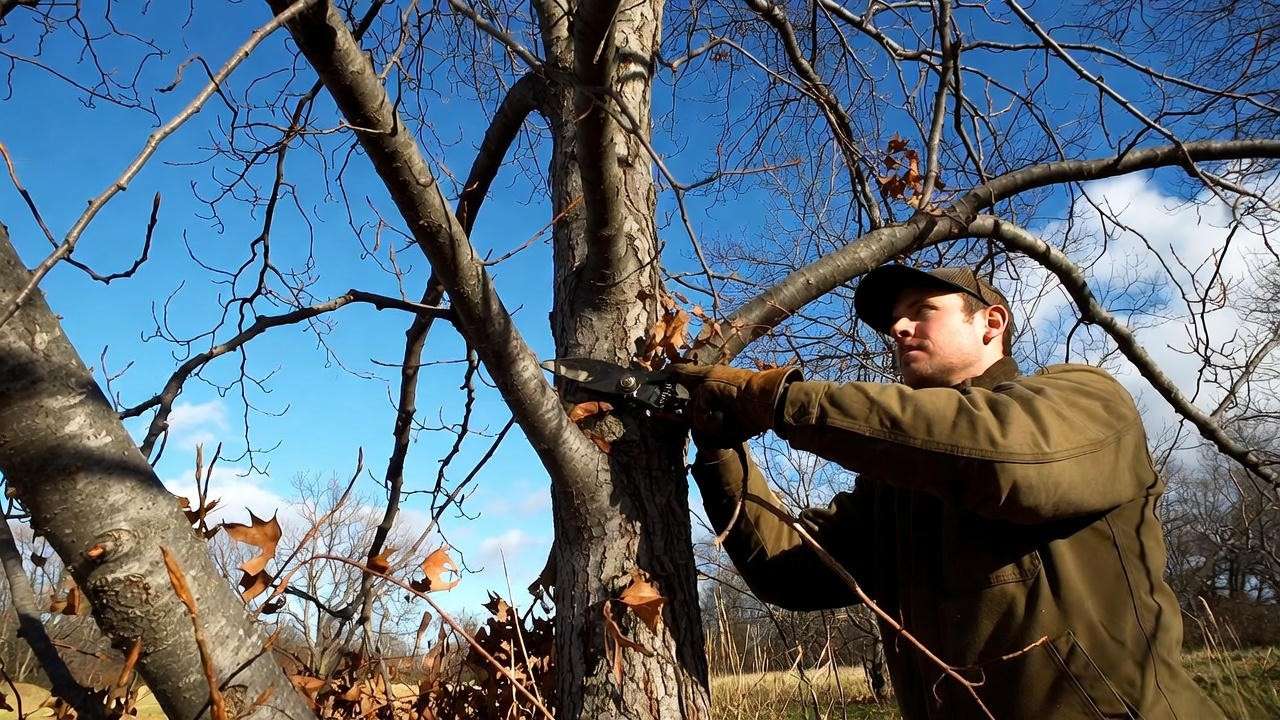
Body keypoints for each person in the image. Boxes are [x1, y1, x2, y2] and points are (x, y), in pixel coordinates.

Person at [673, 265, 1224, 720]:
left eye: (921, 310)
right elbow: (790, 570)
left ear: (991, 322)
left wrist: (777, 399)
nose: (899, 328)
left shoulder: (1085, 400)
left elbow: (1008, 458)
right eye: (894, 320)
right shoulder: (894, 488)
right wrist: (721, 449)